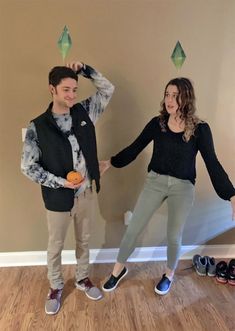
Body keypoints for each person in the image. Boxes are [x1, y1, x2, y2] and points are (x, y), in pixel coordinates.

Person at [99, 77, 235, 296]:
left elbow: (213, 164)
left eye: (176, 95)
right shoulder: (157, 124)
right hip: (155, 182)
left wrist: (231, 195)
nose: (170, 99)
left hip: (183, 187)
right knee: (133, 229)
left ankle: (169, 274)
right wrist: (112, 162)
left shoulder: (200, 129)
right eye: (167, 94)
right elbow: (135, 148)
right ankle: (118, 270)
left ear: (186, 98)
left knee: (174, 235)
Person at [21, 61, 114, 314]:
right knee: (56, 245)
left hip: (86, 193)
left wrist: (86, 70)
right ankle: (55, 286)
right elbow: (28, 167)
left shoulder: (85, 111)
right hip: (56, 197)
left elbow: (107, 89)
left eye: (75, 89)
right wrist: (61, 182)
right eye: (66, 90)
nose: (72, 95)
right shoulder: (37, 126)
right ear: (52, 89)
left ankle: (83, 278)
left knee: (84, 240)